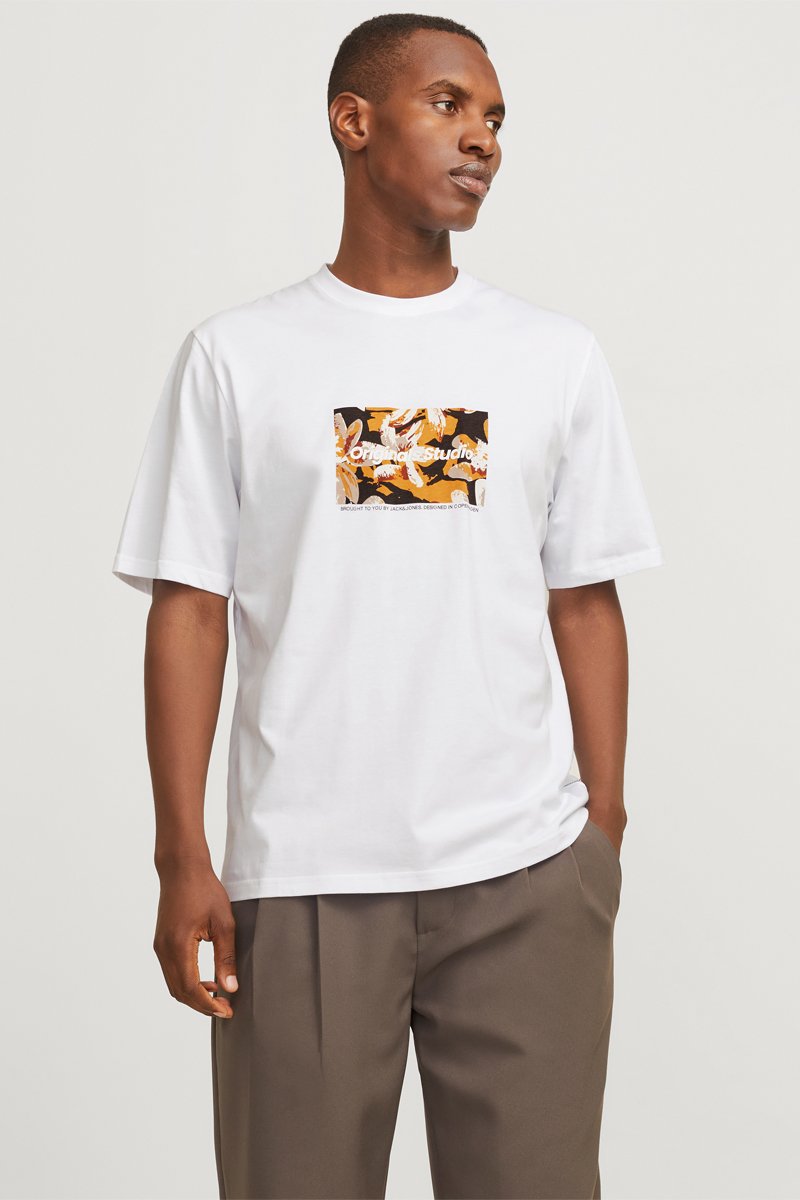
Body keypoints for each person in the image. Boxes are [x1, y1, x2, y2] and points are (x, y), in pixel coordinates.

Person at [111, 12, 664, 1200]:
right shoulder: (237, 358)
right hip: (302, 881)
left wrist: (599, 835)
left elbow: (583, 600)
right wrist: (181, 856)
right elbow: (190, 610)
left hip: (523, 877)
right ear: (351, 121)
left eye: (495, 117)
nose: (483, 139)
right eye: (449, 104)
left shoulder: (551, 357)